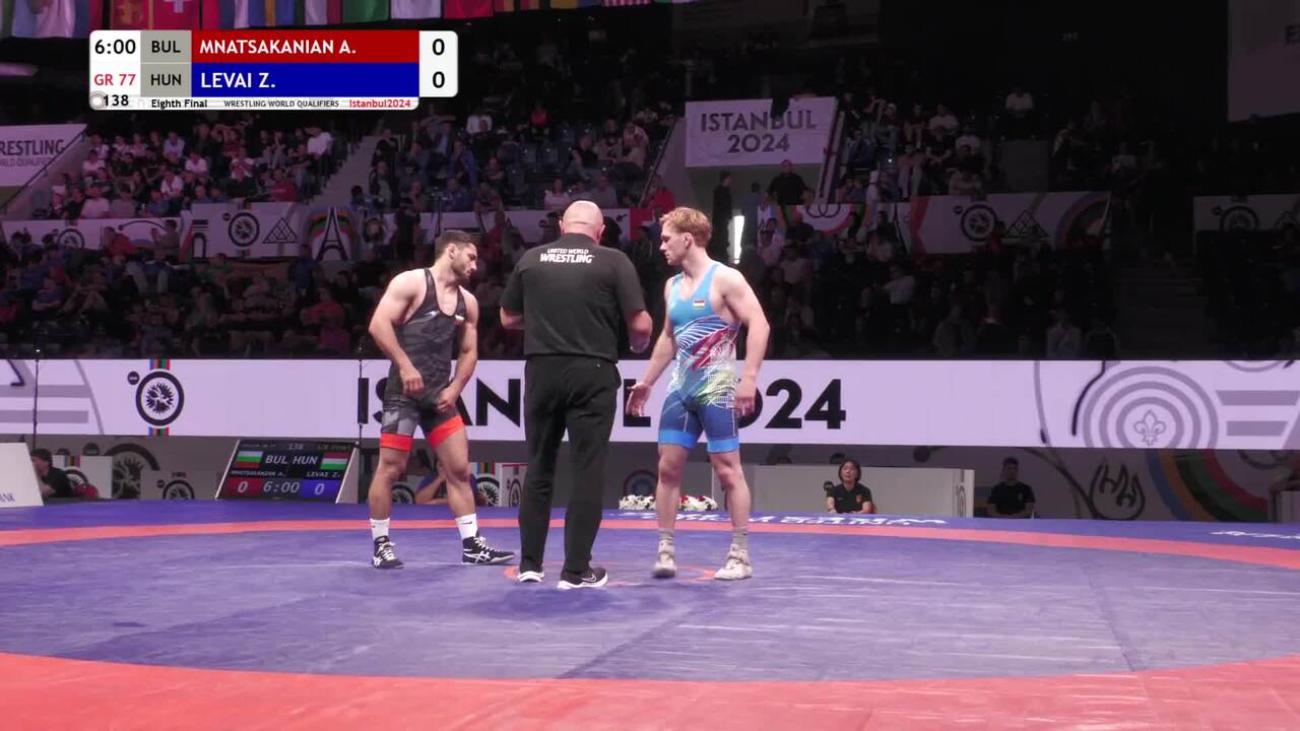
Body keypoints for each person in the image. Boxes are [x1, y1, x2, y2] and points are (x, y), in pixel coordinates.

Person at [500, 201, 652, 589]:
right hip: (592, 370)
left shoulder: (532, 258)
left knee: (539, 465)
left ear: (561, 226)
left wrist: (548, 321)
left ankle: (530, 565)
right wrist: (637, 343)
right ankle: (575, 570)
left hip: (542, 369)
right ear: (599, 232)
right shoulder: (613, 261)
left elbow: (507, 317)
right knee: (587, 469)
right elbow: (639, 324)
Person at [626, 207, 771, 581]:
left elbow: (759, 324)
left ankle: (740, 555)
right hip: (681, 389)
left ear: (687, 239)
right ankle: (665, 549)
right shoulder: (672, 286)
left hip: (717, 389)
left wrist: (749, 378)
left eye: (666, 239)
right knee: (667, 468)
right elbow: (667, 338)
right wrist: (647, 381)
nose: (661, 246)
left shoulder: (725, 279)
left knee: (727, 470)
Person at [364, 230, 514, 569]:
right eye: (471, 257)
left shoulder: (467, 302)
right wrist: (405, 366)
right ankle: (381, 544)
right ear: (451, 251)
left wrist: (455, 388)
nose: (476, 265)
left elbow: (469, 351)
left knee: (458, 469)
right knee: (391, 468)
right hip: (403, 393)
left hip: (440, 397)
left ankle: (472, 545)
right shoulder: (412, 283)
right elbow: (378, 325)